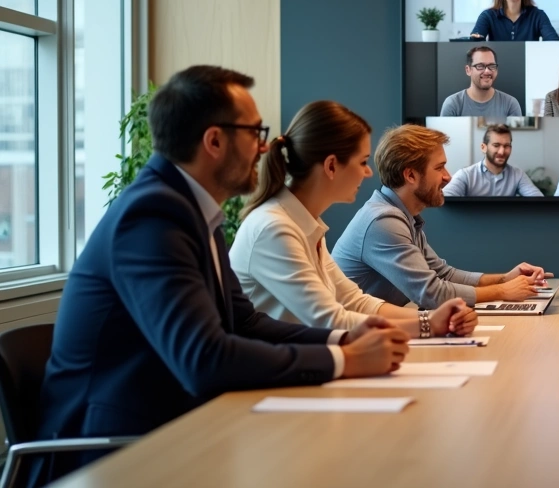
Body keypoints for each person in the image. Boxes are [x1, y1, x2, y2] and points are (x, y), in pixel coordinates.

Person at [31, 67, 408, 484]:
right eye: (254, 132)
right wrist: (344, 360)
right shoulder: (153, 216)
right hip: (112, 452)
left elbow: (243, 322)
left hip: (175, 426)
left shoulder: (192, 211)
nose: (265, 147)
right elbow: (203, 359)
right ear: (214, 141)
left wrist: (342, 339)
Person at [230, 100, 479, 337]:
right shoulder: (274, 228)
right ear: (331, 167)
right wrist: (426, 326)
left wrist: (429, 322)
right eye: (362, 162)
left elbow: (355, 301)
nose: (369, 171)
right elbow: (330, 320)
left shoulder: (304, 224)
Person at [331, 124, 552, 309]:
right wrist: (503, 291)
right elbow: (431, 293)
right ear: (410, 175)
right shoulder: (383, 221)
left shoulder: (402, 216)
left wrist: (505, 279)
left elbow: (443, 274)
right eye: (440, 168)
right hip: (351, 341)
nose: (448, 177)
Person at [444, 124, 543, 197]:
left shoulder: (518, 175)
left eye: (506, 146)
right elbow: (443, 201)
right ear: (483, 147)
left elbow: (539, 202)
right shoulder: (465, 175)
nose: (502, 151)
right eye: (496, 145)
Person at [439, 46, 523, 117]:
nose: (487, 71)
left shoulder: (510, 104)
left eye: (491, 66)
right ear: (468, 70)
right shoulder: (452, 104)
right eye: (480, 66)